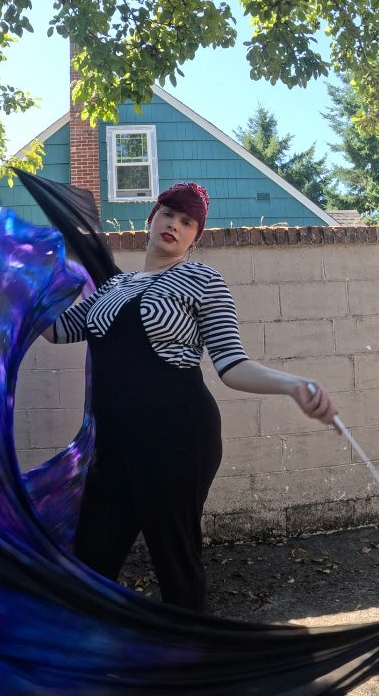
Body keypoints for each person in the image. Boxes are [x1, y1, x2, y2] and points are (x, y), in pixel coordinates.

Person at [42, 182, 338, 612]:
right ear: (152, 218)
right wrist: (16, 284)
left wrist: (293, 385)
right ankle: (85, 649)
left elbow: (232, 364)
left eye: (187, 222)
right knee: (90, 560)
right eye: (168, 214)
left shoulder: (202, 279)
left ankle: (193, 649)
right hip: (114, 444)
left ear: (195, 236)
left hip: (178, 439)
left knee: (175, 562)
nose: (174, 226)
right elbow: (55, 331)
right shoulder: (112, 287)